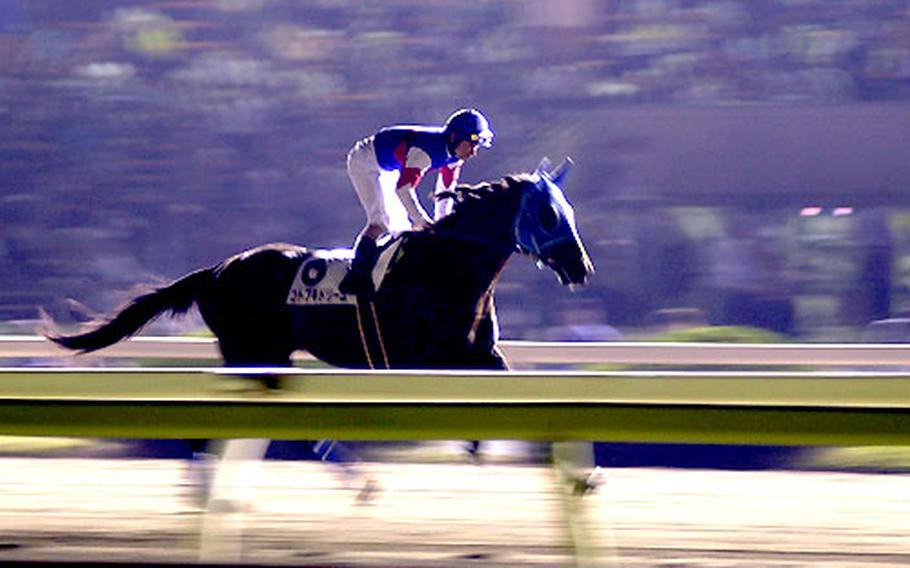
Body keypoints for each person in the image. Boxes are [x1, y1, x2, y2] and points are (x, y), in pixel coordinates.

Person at [338, 108, 494, 297]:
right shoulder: (425, 152)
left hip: (388, 166)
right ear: (454, 138)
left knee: (401, 227)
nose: (473, 152)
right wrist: (422, 221)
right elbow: (403, 189)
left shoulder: (454, 156)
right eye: (471, 145)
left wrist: (442, 225)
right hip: (365, 162)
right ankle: (356, 275)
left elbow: (445, 192)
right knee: (382, 221)